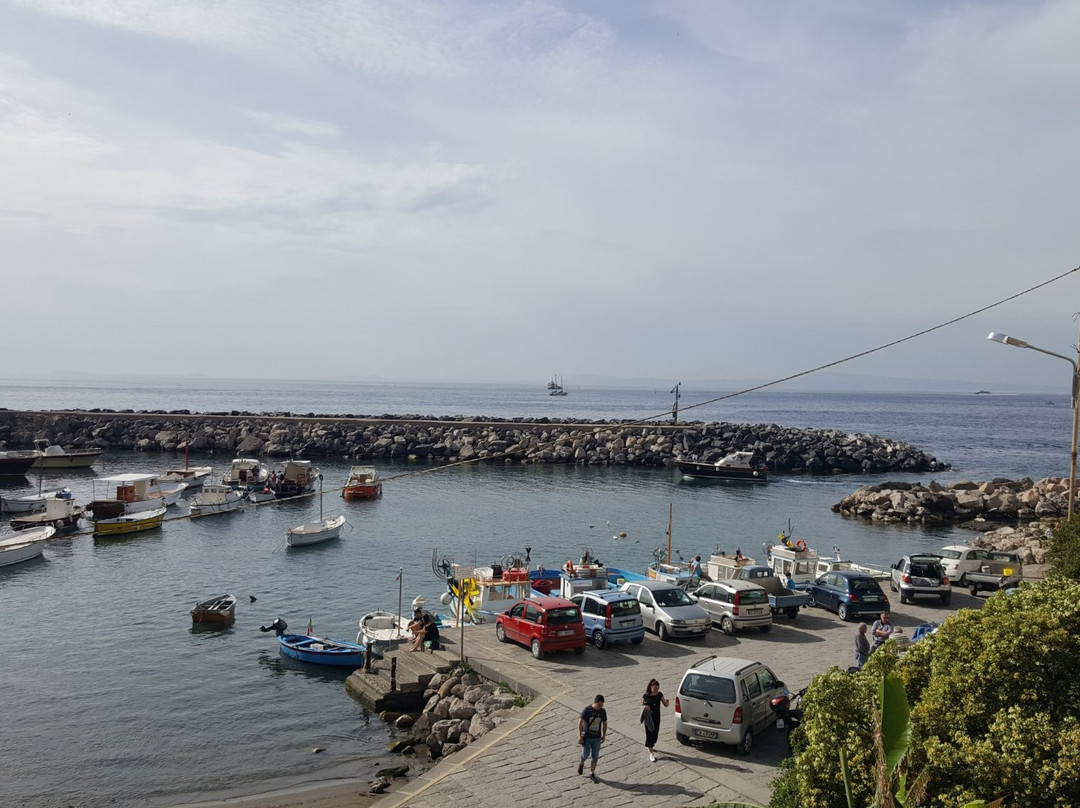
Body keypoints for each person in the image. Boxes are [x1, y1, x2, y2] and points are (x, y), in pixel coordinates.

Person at [577, 694, 607, 782]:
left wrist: (604, 735)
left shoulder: (602, 711)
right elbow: (580, 722)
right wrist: (579, 736)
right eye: (599, 705)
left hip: (597, 738)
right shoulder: (587, 710)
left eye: (602, 705)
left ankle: (592, 773)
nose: (600, 707)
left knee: (595, 756)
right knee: (585, 754)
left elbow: (604, 723)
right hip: (587, 737)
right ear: (595, 702)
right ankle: (582, 763)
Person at [641, 678, 669, 762]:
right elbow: (642, 705)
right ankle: (651, 753)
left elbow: (665, 704)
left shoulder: (659, 695)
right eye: (655, 689)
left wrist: (667, 702)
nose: (656, 690)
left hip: (657, 716)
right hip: (649, 718)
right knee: (650, 733)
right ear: (651, 687)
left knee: (655, 733)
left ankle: (650, 745)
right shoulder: (646, 695)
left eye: (657, 688)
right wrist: (646, 707)